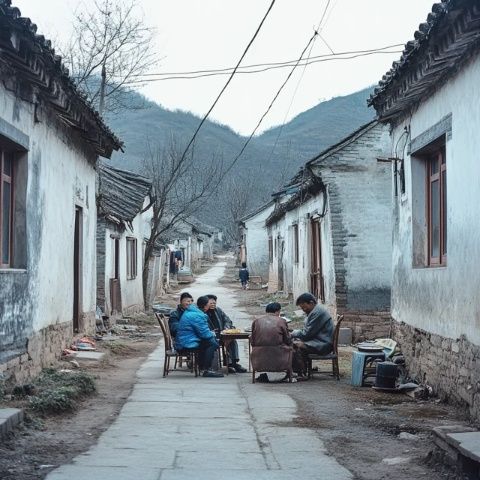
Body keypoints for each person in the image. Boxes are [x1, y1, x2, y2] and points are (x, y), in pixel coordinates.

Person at [175, 296, 223, 378]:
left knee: (210, 342)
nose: (210, 305)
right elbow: (204, 334)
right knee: (213, 344)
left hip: (185, 340)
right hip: (186, 343)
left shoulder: (193, 311)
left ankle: (202, 367)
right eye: (209, 304)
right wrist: (213, 334)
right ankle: (206, 370)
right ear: (205, 306)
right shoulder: (197, 315)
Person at [291, 293, 334, 379]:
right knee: (296, 341)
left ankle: (301, 373)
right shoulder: (315, 311)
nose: (303, 310)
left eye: (304, 307)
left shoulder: (317, 313)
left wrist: (292, 333)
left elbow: (306, 334)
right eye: (302, 308)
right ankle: (303, 370)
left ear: (311, 303)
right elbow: (307, 331)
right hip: (319, 340)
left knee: (295, 345)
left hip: (323, 344)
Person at [251, 302, 293, 382]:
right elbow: (287, 339)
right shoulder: (282, 321)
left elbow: (253, 341)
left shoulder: (256, 321)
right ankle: (293, 374)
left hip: (259, 355)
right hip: (279, 354)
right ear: (278, 311)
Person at [206, 294, 247, 373]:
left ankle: (233, 363)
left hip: (222, 334)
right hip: (210, 337)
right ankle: (228, 365)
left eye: (214, 303)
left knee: (232, 341)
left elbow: (227, 320)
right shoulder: (203, 313)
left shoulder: (218, 310)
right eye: (211, 303)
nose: (213, 305)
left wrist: (226, 327)